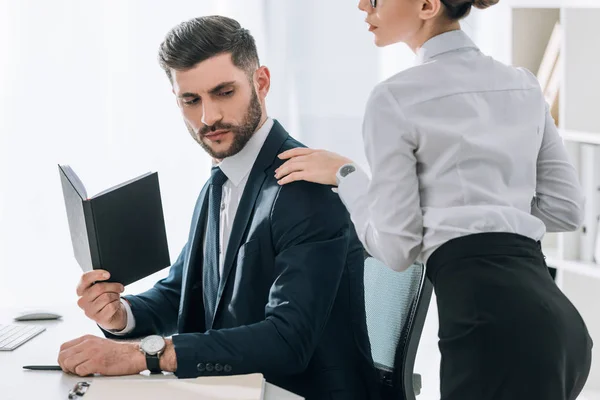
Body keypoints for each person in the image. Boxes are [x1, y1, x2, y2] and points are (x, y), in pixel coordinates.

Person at [274, 0, 593, 399]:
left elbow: (397, 249)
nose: (361, 5)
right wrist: (480, 208)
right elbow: (566, 208)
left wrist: (348, 176)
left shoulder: (394, 98)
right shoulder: (522, 83)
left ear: (427, 5)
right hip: (560, 326)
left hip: (490, 332)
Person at [56, 16, 379, 400]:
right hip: (235, 389)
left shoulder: (305, 189)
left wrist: (142, 355)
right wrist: (121, 315)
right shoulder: (222, 180)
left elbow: (286, 340)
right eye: (191, 100)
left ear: (261, 82)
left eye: (224, 92)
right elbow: (182, 291)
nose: (208, 118)